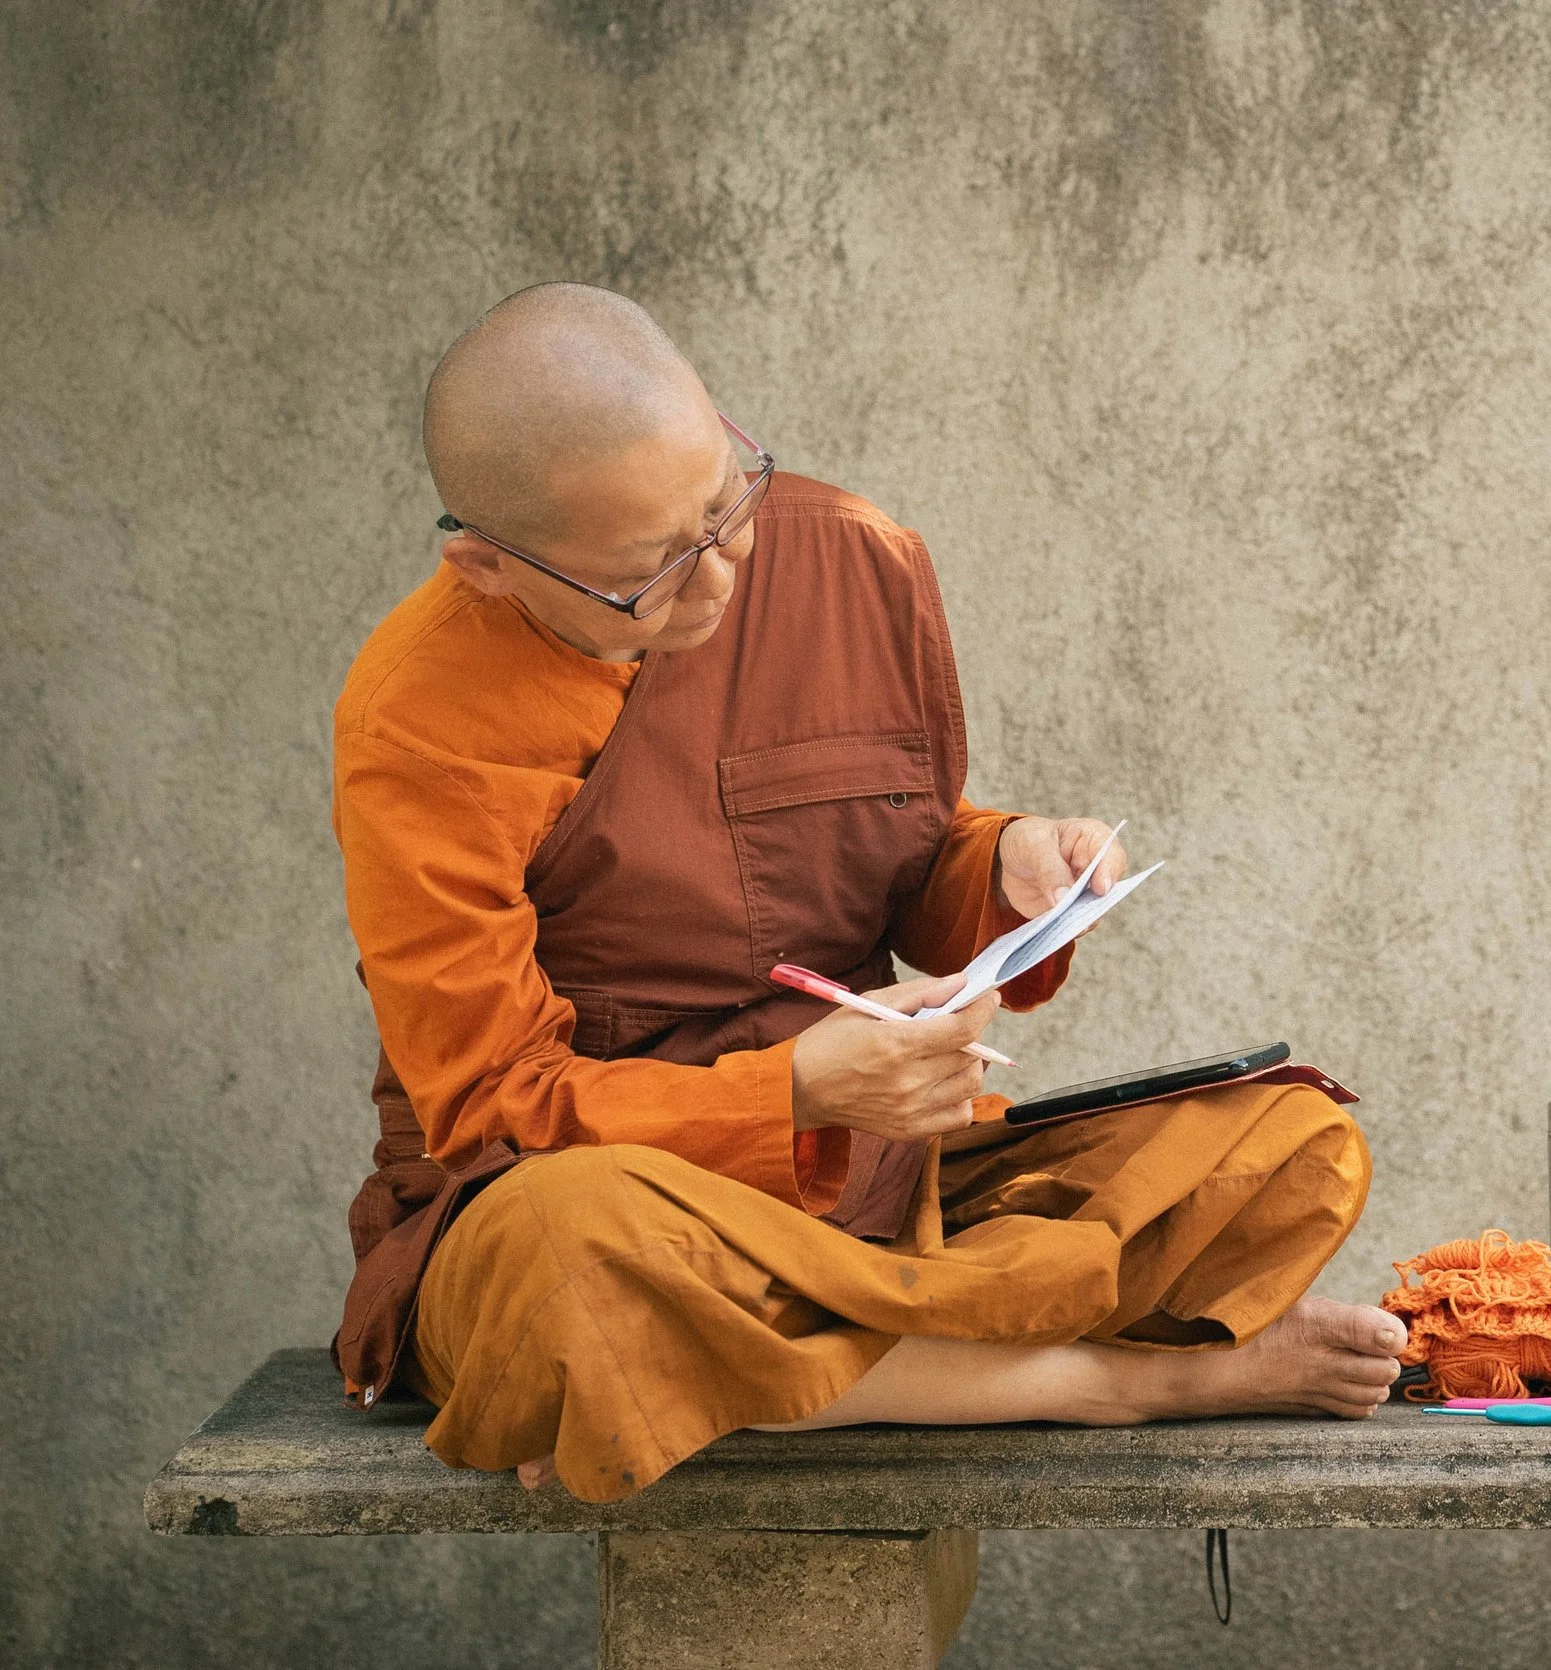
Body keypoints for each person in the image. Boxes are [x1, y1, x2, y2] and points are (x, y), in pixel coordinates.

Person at [329, 282, 1404, 1503]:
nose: (720, 576)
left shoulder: (845, 553)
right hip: (601, 1196)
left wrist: (1003, 861)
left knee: (1285, 1142)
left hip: (878, 1179)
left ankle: (697, 1379)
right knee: (565, 1260)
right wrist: (791, 1090)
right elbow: (493, 1107)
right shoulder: (417, 718)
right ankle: (1115, 1379)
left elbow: (897, 854)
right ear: (487, 565)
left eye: (724, 506)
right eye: (650, 572)